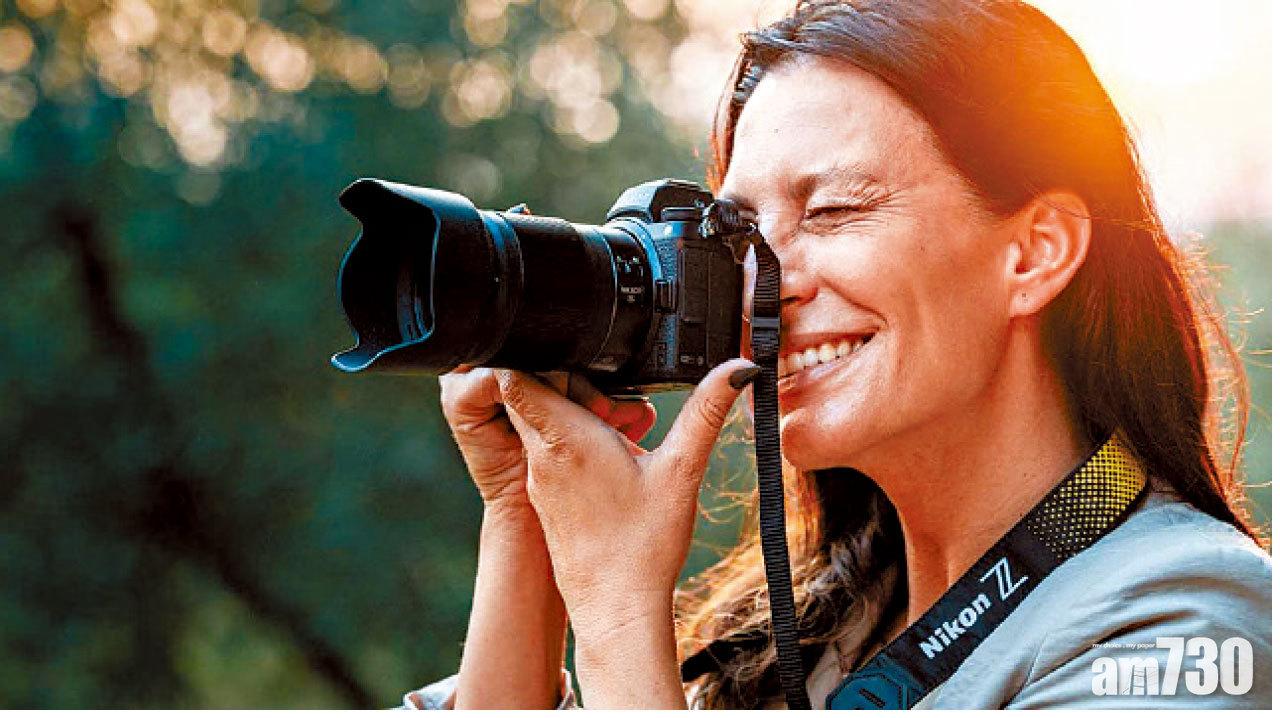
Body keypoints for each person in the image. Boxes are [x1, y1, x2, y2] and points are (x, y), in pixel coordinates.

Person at [401, 0, 1271, 709]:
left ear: (1034, 253)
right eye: (741, 233)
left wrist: (622, 614)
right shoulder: (809, 637)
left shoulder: (1185, 617)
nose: (760, 287)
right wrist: (527, 515)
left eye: (832, 211)